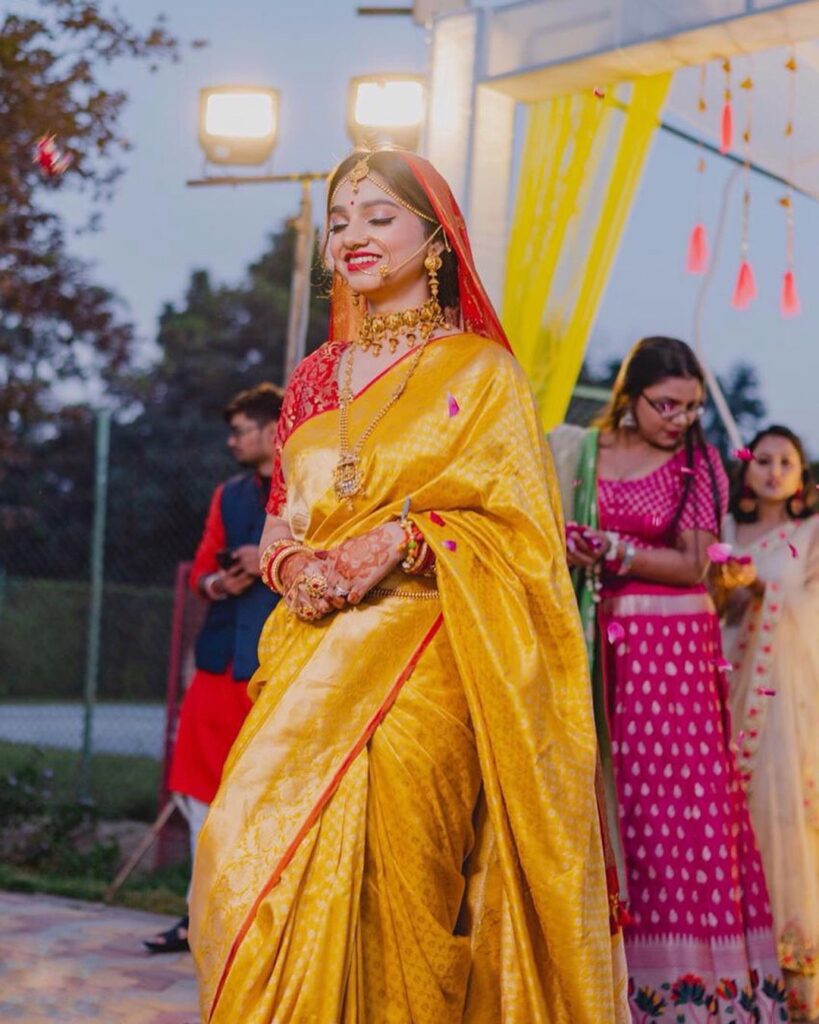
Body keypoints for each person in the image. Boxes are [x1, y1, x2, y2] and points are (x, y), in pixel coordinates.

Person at [188, 148, 622, 1023]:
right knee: (239, 854)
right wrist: (292, 565)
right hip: (306, 660)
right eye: (341, 219)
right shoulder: (314, 378)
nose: (352, 235)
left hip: (426, 660)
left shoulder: (481, 375)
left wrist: (403, 539)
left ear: (434, 241)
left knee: (409, 889)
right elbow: (282, 519)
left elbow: (524, 538)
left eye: (378, 216)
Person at [549, 337, 790, 1023]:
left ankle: (695, 992)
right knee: (618, 804)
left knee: (680, 811)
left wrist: (609, 548)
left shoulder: (699, 463)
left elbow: (692, 565)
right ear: (629, 396)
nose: (678, 419)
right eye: (664, 405)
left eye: (688, 407)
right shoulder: (584, 453)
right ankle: (614, 983)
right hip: (605, 642)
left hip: (675, 650)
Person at [143, 383, 282, 955]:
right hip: (220, 665)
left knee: (266, 802)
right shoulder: (227, 495)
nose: (231, 441)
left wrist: (271, 561)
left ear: (274, 431)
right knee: (198, 793)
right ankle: (199, 919)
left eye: (241, 430)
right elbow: (202, 570)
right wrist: (222, 581)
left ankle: (257, 927)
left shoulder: (310, 489)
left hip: (274, 672)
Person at [716, 425, 818, 1021]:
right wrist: (729, 586)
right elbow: (709, 606)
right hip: (722, 689)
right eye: (764, 460)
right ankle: (729, 976)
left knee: (781, 825)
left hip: (786, 712)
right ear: (747, 472)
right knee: (727, 825)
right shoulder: (726, 533)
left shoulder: (810, 534)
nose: (775, 470)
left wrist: (763, 590)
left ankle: (791, 983)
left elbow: (810, 612)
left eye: (787, 461)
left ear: (802, 476)